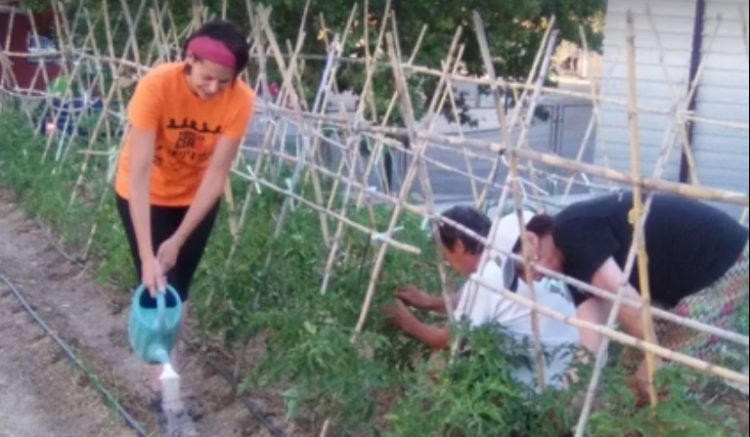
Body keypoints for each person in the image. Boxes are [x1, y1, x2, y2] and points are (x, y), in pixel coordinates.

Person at [114, 19, 255, 421]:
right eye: (207, 78)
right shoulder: (157, 87)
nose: (214, 89)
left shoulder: (240, 101)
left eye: (224, 82)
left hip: (193, 201)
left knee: (180, 289)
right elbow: (139, 173)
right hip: (143, 194)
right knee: (157, 281)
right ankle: (166, 397)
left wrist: (177, 240)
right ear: (188, 60)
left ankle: (168, 380)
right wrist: (147, 254)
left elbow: (216, 177)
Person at [512, 191, 748, 400]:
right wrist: (569, 398)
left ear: (531, 239)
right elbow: (590, 336)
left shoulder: (570, 230)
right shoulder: (570, 265)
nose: (535, 279)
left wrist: (653, 356)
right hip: (676, 283)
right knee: (628, 374)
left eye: (523, 268)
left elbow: (625, 299)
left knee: (670, 380)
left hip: (722, 258)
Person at [382, 206, 581, 392]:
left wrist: (406, 321)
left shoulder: (489, 276)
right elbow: (482, 301)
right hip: (572, 368)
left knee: (442, 361)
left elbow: (450, 339)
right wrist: (429, 302)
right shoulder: (523, 255)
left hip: (537, 382)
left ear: (458, 245)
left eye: (445, 253)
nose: (449, 263)